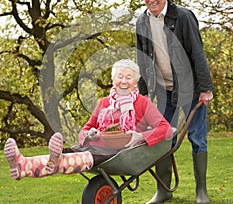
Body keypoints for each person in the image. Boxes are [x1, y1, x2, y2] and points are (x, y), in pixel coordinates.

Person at [4, 59, 173, 181]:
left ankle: (47, 162)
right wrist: (89, 134)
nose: (123, 81)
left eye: (129, 77)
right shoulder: (104, 103)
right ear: (113, 80)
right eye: (120, 76)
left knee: (88, 155)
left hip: (123, 153)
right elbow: (86, 129)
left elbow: (165, 128)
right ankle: (23, 166)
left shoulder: (143, 103)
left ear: (136, 82)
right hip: (98, 144)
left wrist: (140, 137)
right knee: (72, 152)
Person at [136, 0, 213, 204]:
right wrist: (141, 93)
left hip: (190, 88)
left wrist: (206, 88)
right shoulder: (142, 22)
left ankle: (201, 191)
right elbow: (143, 59)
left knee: (197, 137)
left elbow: (197, 53)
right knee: (162, 138)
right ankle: (164, 190)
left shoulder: (183, 17)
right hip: (164, 90)